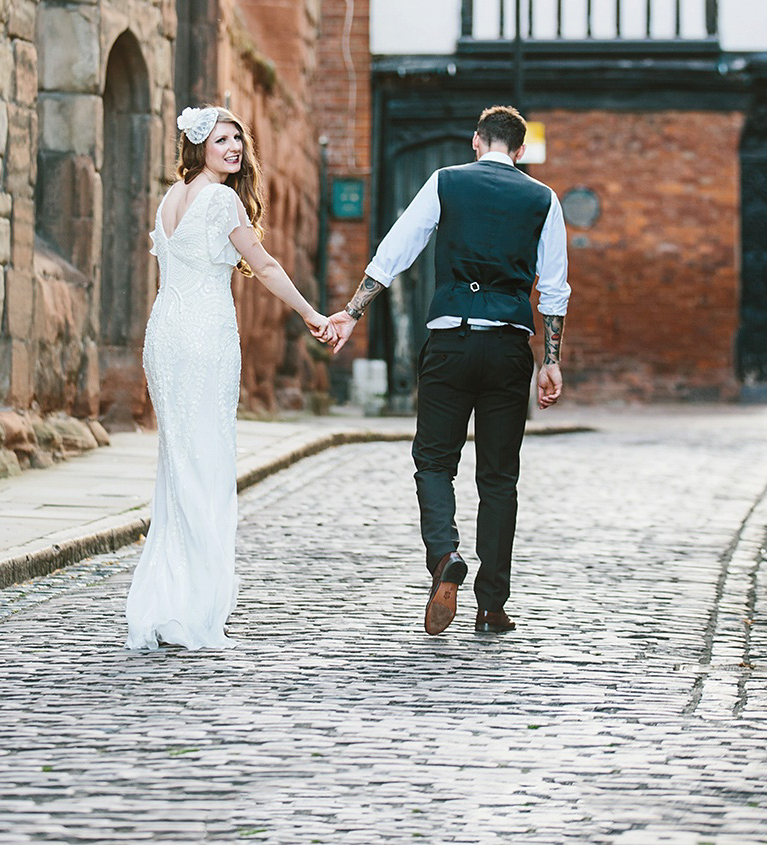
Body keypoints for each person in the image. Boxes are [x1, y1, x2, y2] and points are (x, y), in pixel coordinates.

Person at [328, 105, 570, 637]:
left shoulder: (446, 182)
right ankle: (491, 607)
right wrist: (550, 361)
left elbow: (397, 249)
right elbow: (553, 288)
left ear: (476, 143)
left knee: (435, 461)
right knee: (500, 478)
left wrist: (353, 311)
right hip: (510, 347)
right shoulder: (543, 198)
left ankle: (445, 556)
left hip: (451, 340)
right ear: (522, 151)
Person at [126, 104, 336, 651]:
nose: (234, 148)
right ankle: (194, 607)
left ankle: (171, 601)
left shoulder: (170, 198)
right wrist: (312, 314)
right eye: (222, 140)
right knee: (207, 467)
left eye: (238, 139)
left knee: (179, 470)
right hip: (201, 338)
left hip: (165, 335)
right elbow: (263, 265)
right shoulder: (220, 199)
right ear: (199, 145)